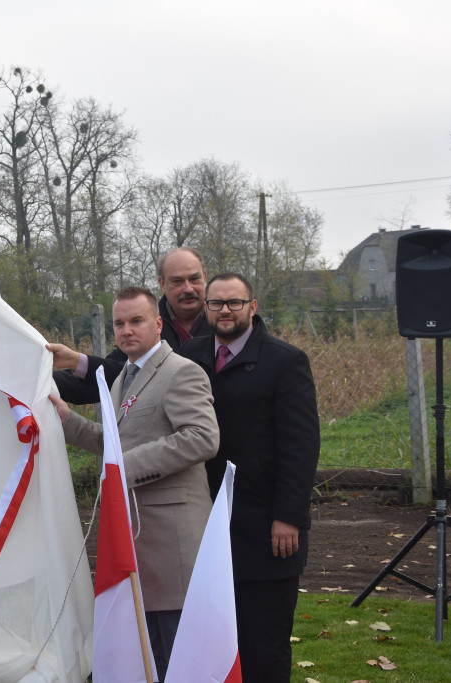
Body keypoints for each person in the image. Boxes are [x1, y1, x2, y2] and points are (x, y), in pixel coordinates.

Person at [48, 286, 219, 682]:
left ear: (158, 325)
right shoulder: (123, 375)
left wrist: (123, 467)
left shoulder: (181, 372)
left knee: (178, 658)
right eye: (119, 324)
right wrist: (66, 420)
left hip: (173, 541)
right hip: (136, 538)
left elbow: (202, 437)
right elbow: (113, 443)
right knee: (147, 657)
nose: (126, 331)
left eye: (137, 321)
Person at [180, 273, 320, 683]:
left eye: (235, 303)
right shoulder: (191, 352)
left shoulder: (285, 361)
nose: (225, 311)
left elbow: (301, 445)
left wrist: (290, 515)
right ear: (205, 309)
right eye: (217, 303)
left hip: (265, 524)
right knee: (215, 642)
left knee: (263, 645)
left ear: (252, 307)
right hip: (205, 519)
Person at [52, 247, 212, 404]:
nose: (188, 288)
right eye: (177, 281)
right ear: (162, 284)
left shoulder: (226, 324)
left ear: (205, 278)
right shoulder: (144, 327)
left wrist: (77, 361)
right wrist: (44, 382)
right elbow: (109, 379)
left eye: (194, 279)